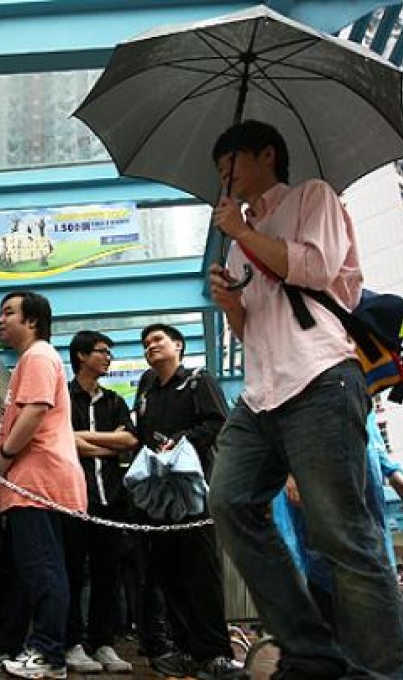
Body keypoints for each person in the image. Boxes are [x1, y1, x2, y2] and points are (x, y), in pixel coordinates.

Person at [208, 119, 403, 678]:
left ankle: (382, 669)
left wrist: (243, 235)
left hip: (320, 376)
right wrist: (229, 302)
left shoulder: (312, 196)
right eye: (220, 168)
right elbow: (252, 330)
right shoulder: (242, 232)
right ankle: (311, 648)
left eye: (232, 161)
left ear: (267, 155)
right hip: (261, 392)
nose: (224, 174)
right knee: (229, 500)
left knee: (342, 533)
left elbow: (316, 269)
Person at [0, 291, 87, 679]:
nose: (0, 320)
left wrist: (5, 457)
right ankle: (41, 650)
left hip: (38, 482)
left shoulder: (39, 355)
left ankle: (48, 655)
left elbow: (35, 411)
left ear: (32, 321)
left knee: (42, 569)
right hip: (32, 482)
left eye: (9, 312)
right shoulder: (33, 359)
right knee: (39, 570)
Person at [134, 324, 242, 680]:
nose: (150, 346)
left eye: (158, 340)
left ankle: (215, 653)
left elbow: (219, 423)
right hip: (157, 498)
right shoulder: (146, 389)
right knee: (168, 573)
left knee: (201, 573)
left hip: (194, 494)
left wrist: (181, 440)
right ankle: (186, 650)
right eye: (146, 343)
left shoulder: (199, 380)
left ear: (178, 345)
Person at [273, 411, 403, 633]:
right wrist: (287, 472)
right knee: (329, 578)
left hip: (360, 491)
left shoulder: (359, 394)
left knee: (373, 578)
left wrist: (394, 475)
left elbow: (372, 439)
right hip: (316, 488)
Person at [64, 330, 137, 674]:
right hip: (74, 498)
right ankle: (73, 643)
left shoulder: (114, 401)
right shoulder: (63, 396)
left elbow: (129, 440)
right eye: (102, 351)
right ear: (81, 355)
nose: (108, 357)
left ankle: (104, 643)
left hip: (112, 500)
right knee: (73, 572)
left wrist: (82, 439)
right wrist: (109, 447)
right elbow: (59, 439)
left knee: (109, 574)